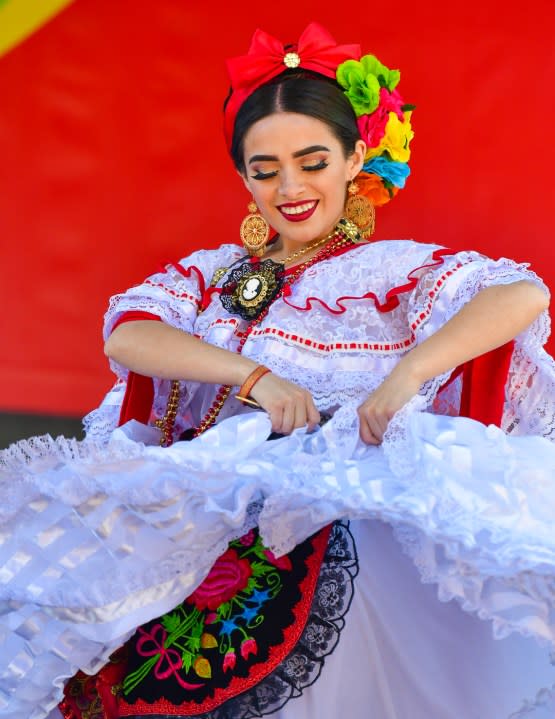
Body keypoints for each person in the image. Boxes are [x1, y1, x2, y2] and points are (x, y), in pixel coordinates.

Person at [1, 21, 555, 719]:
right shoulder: (213, 273)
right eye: (265, 171)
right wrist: (252, 378)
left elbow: (520, 295)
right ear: (242, 177)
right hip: (201, 526)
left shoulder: (387, 270)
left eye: (312, 161)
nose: (289, 187)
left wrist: (409, 372)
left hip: (338, 533)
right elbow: (132, 333)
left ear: (356, 158)